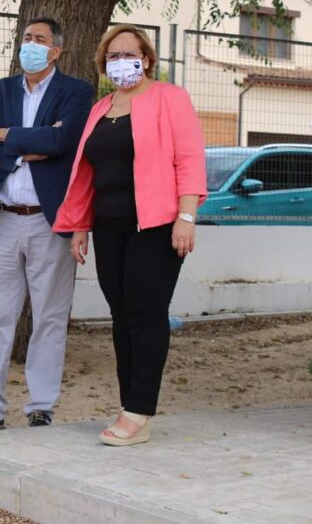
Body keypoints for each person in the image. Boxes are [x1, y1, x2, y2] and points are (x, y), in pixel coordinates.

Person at [54, 24, 207, 446]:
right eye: (113, 55)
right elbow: (87, 172)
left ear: (147, 59)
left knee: (145, 314)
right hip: (109, 227)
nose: (121, 61)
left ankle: (139, 411)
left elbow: (189, 160)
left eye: (129, 54)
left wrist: (186, 217)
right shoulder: (101, 108)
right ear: (104, 64)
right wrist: (80, 225)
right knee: (121, 315)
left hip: (156, 226)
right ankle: (130, 406)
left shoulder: (170, 99)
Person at [0, 17, 93, 433]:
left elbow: (62, 142)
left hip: (49, 221)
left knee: (49, 317)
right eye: (27, 37)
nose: (30, 44)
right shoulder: (1, 90)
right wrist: (22, 150)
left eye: (39, 39)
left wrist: (5, 135)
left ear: (56, 51)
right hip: (3, 218)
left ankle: (41, 407)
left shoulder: (76, 91)